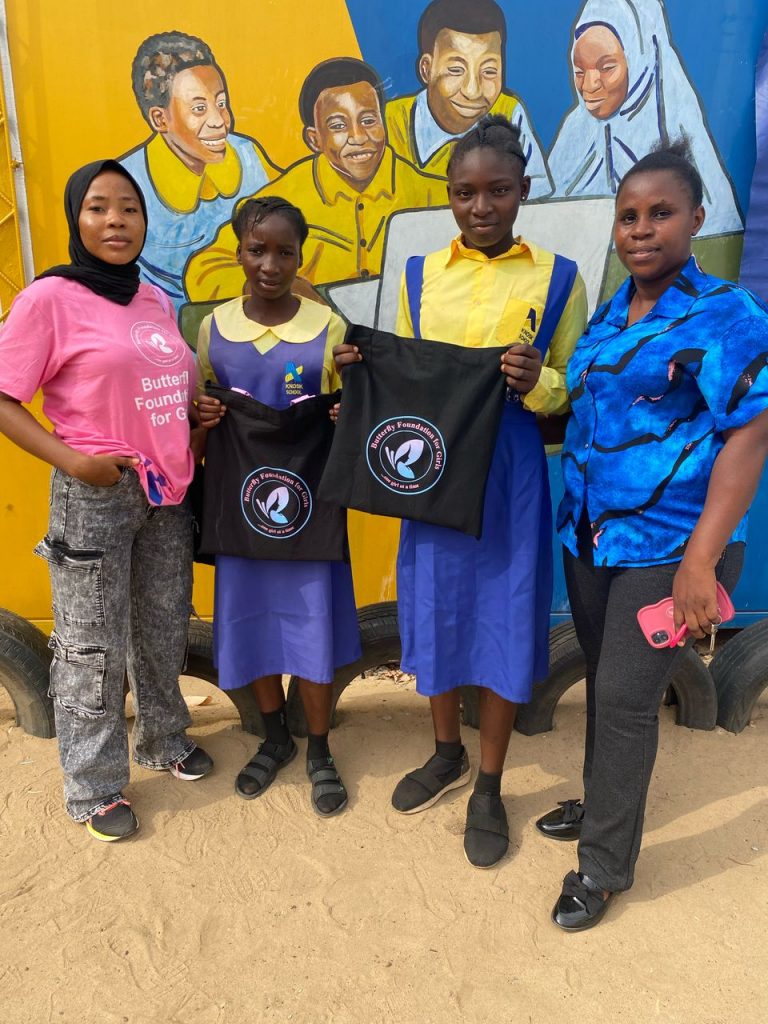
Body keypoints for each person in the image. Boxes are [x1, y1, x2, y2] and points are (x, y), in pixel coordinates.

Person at [335, 115, 587, 868]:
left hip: (509, 470)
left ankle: (489, 782)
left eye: (498, 191)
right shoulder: (418, 275)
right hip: (436, 468)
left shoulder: (560, 277)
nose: (482, 207)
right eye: (465, 193)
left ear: (523, 191)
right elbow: (411, 382)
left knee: (507, 616)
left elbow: (576, 384)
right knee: (436, 608)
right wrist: (361, 368)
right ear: (448, 195)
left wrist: (536, 381)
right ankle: (444, 751)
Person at [540, 141, 768, 931]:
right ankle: (607, 802)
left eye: (660, 213)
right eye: (628, 216)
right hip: (591, 542)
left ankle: (603, 867)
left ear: (697, 219)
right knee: (607, 684)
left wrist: (702, 561)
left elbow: (751, 433)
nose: (641, 230)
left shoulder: (725, 315)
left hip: (669, 551)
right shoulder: (611, 311)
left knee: (627, 698)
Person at [0, 160, 213, 842]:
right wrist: (75, 462)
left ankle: (164, 739)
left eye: (129, 208)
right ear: (76, 219)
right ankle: (93, 785)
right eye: (98, 207)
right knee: (92, 643)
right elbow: (5, 398)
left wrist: (196, 421)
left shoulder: (151, 297)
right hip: (96, 491)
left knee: (160, 626)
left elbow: (157, 388)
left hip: (166, 491)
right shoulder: (49, 298)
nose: (116, 221)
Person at [196, 196, 361, 816]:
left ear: (300, 256)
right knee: (253, 622)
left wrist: (349, 414)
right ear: (238, 250)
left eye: (284, 251)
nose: (270, 263)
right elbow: (199, 404)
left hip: (310, 508)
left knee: (311, 624)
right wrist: (203, 413)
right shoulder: (213, 328)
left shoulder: (328, 328)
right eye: (256, 249)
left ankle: (317, 746)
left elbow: (352, 411)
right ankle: (273, 739)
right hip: (240, 509)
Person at [184, 58, 444, 298]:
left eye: (368, 120)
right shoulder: (280, 202)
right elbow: (203, 271)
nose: (359, 136)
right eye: (338, 126)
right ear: (314, 139)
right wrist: (274, 285)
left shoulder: (433, 194)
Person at [548, 0, 742, 237]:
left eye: (607, 67)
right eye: (579, 71)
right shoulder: (574, 136)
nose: (588, 86)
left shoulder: (674, 126)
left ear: (641, 60)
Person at [120, 31, 279, 312]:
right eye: (199, 108)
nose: (219, 121)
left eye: (221, 103)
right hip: (168, 335)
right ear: (160, 118)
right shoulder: (127, 183)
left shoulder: (246, 155)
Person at [385, 0, 552, 196]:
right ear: (426, 69)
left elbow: (536, 198)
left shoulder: (508, 113)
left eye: (489, 71)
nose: (473, 91)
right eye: (456, 70)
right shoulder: (388, 123)